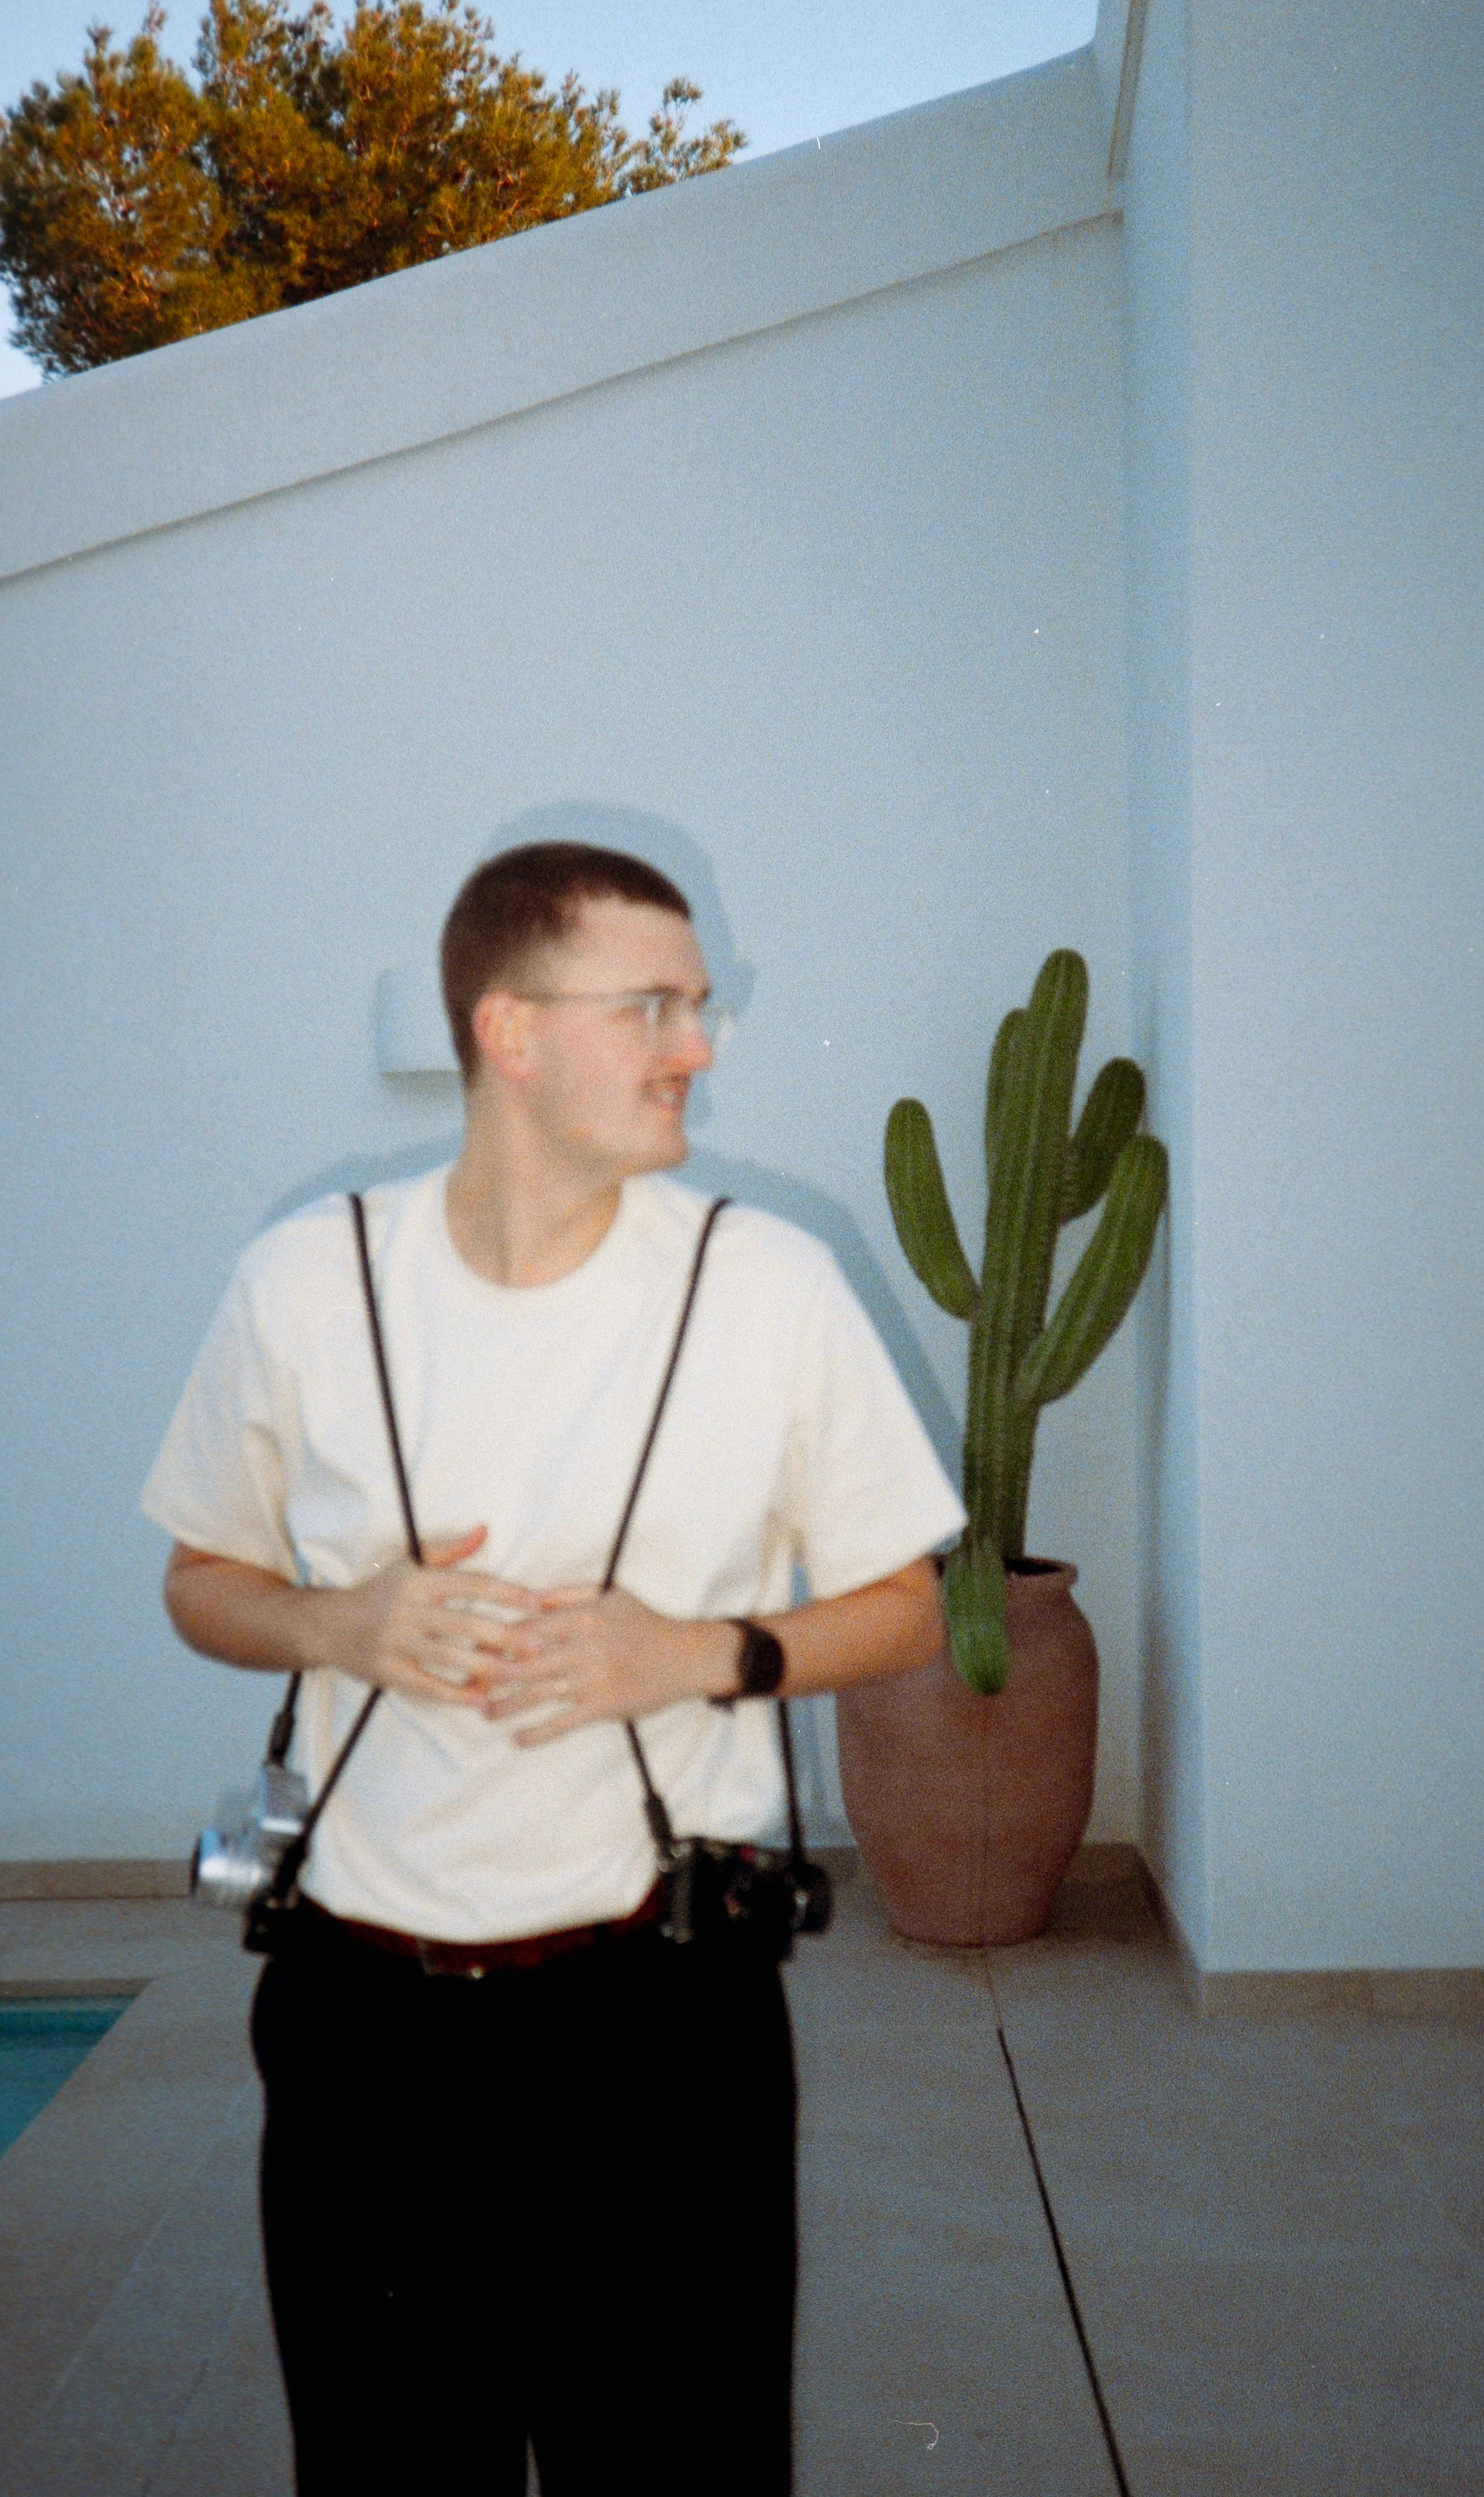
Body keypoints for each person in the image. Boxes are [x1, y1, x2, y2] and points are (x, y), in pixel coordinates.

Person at [143, 841, 963, 2497]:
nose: (699, 1046)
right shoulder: (311, 1282)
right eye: (653, 1006)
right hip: (363, 2028)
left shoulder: (765, 1285)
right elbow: (200, 1579)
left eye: (700, 1007)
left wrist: (700, 1654)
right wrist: (336, 1623)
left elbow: (907, 1604)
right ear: (507, 1031)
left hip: (660, 2026)